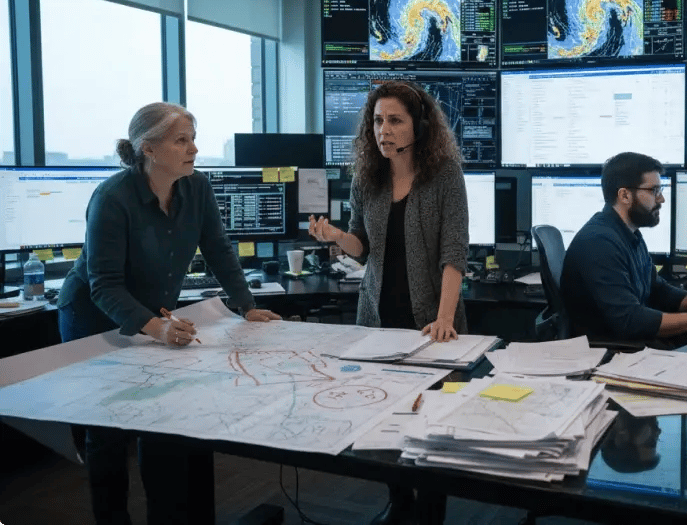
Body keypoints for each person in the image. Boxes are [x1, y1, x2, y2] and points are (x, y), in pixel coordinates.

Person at [58, 102, 281, 525]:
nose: (193, 149)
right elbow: (104, 284)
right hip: (93, 313)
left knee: (161, 413)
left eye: (193, 139)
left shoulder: (197, 187)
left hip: (150, 311)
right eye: (182, 140)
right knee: (107, 428)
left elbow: (218, 249)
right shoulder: (112, 198)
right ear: (148, 148)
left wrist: (247, 306)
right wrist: (157, 328)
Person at [308, 80, 468, 525]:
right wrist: (337, 236)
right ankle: (399, 503)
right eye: (378, 121)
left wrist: (444, 318)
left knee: (432, 423)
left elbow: (454, 253)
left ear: (419, 126)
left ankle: (430, 511)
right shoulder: (368, 177)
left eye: (395, 120)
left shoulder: (445, 176)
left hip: (431, 321)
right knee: (384, 418)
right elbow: (362, 247)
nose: (384, 130)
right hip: (377, 318)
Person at [561, 152, 687, 344]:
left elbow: (659, 291)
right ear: (625, 195)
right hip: (613, 351)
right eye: (654, 191)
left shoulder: (628, 234)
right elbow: (630, 321)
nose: (661, 199)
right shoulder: (599, 244)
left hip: (632, 341)